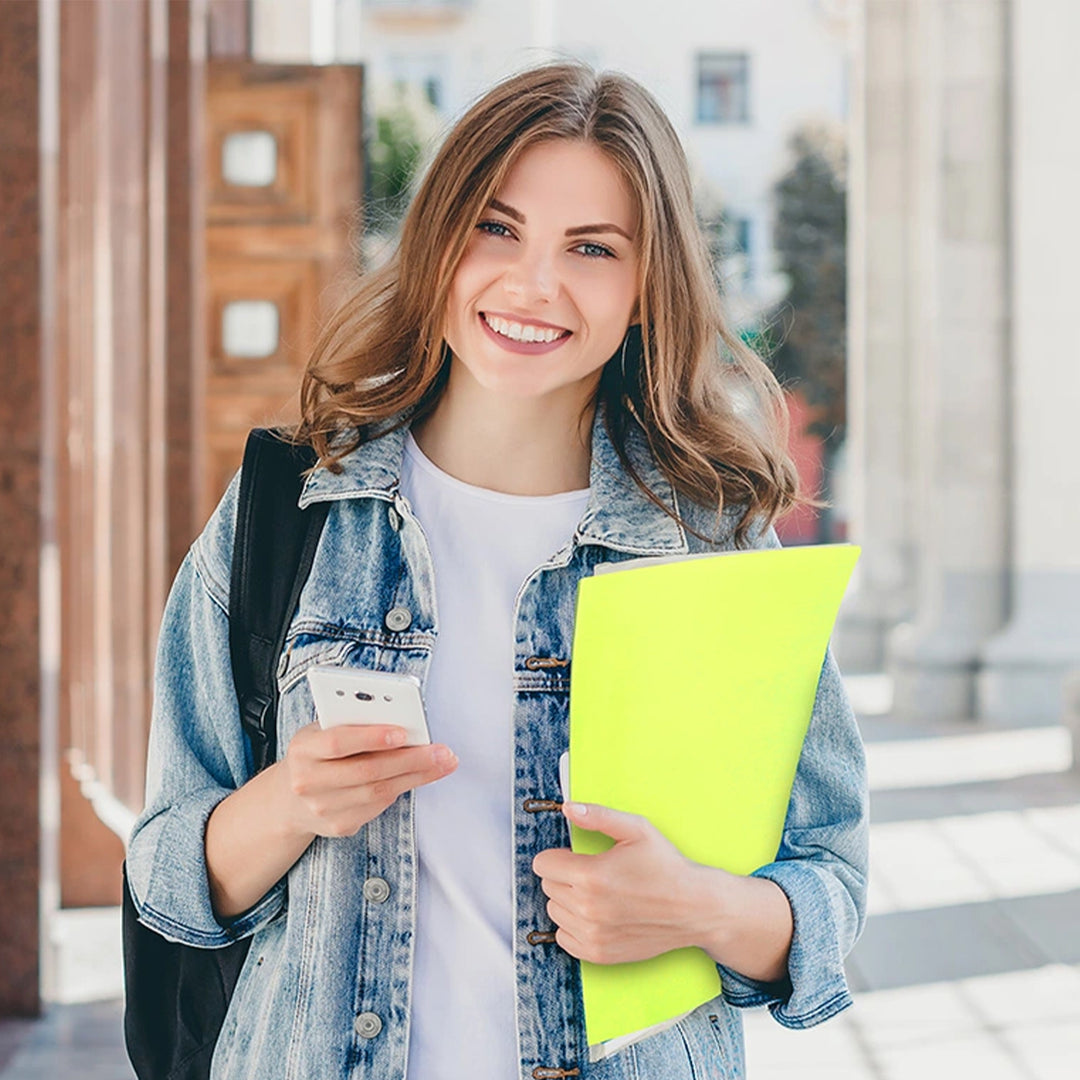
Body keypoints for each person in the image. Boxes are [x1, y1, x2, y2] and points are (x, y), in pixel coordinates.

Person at [126, 61, 868, 1080]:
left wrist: (700, 908)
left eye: (592, 248)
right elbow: (165, 871)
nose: (534, 284)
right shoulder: (287, 511)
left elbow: (829, 883)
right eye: (497, 227)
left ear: (648, 286)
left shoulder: (710, 544)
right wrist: (289, 802)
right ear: (439, 241)